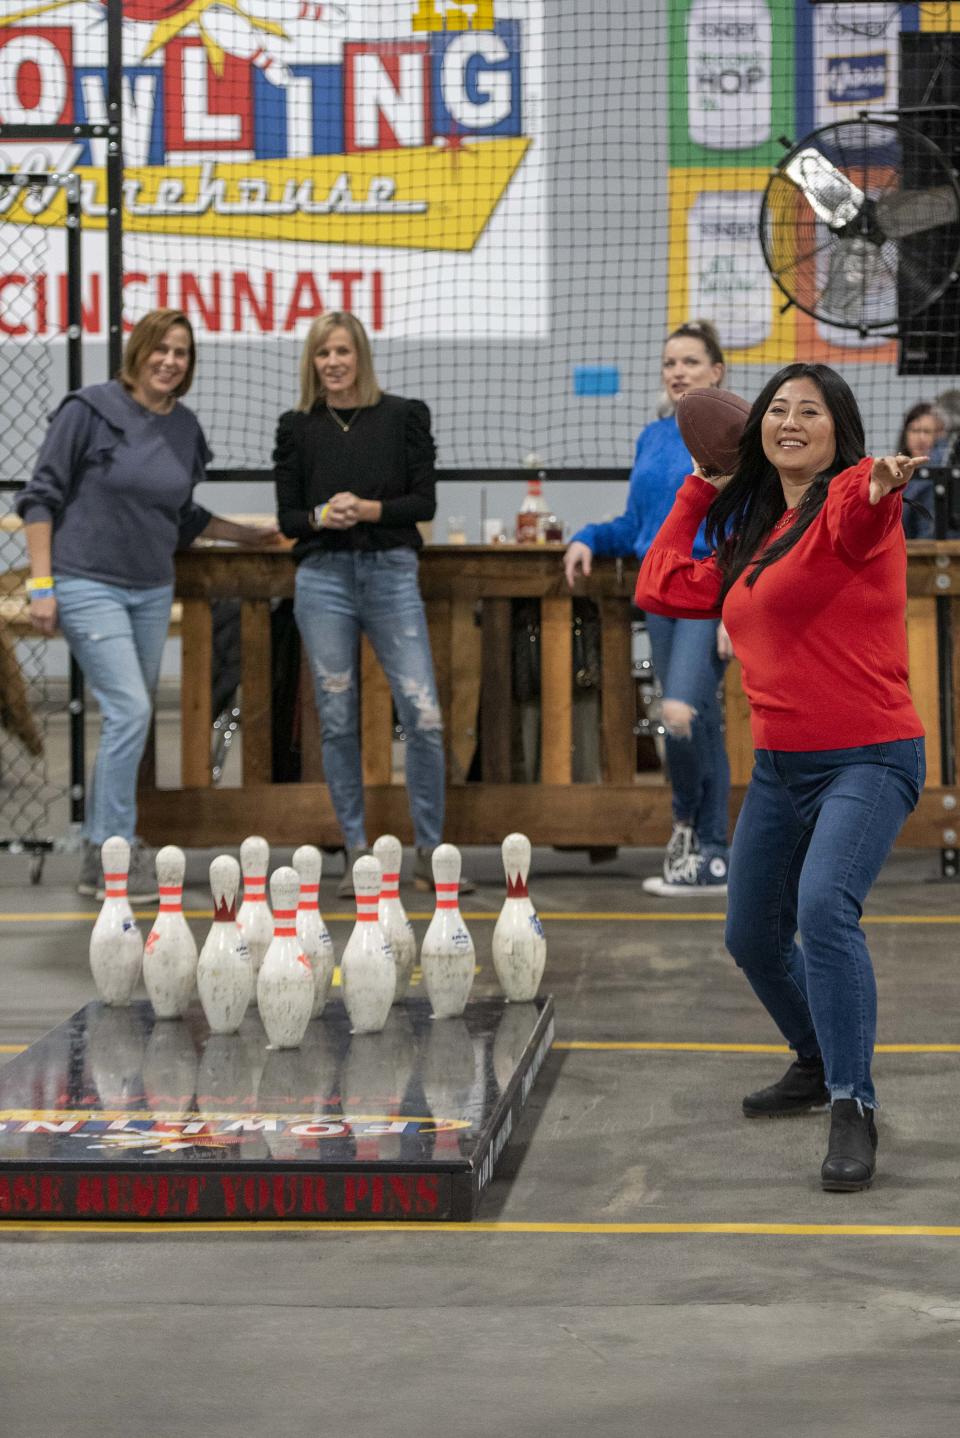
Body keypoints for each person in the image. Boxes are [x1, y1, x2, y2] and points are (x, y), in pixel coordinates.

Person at [635, 361, 926, 1192]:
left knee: (823, 910)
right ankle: (813, 1056)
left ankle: (851, 1102)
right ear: (757, 428)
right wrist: (702, 485)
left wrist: (881, 479)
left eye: (811, 411)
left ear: (838, 431)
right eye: (778, 410)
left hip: (869, 757)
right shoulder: (754, 537)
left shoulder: (845, 509)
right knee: (751, 937)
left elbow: (865, 502)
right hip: (780, 771)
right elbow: (660, 582)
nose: (791, 421)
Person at [17, 308, 280, 903]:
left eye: (182, 352)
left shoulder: (184, 429)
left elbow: (182, 515)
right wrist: (41, 585)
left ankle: (101, 851)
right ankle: (112, 856)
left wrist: (246, 534)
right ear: (138, 351)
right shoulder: (87, 410)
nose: (169, 360)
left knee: (125, 718)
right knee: (134, 709)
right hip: (86, 584)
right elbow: (40, 498)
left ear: (190, 365)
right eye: (160, 348)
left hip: (151, 589)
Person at [274, 311, 470, 899]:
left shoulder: (403, 417)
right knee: (337, 716)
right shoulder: (296, 427)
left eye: (341, 351)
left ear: (359, 354)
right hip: (323, 577)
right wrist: (318, 517)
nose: (332, 362)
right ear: (312, 362)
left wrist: (367, 510)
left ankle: (431, 850)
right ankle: (357, 851)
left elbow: (423, 501)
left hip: (389, 573)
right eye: (321, 354)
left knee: (423, 713)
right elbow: (288, 517)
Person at [563, 319, 731, 894]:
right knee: (695, 723)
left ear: (717, 371)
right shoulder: (653, 437)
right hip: (660, 596)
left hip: (711, 594)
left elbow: (752, 529)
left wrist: (738, 605)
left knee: (681, 713)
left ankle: (702, 837)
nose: (678, 372)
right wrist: (588, 534)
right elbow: (639, 525)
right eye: (670, 363)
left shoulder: (737, 435)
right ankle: (704, 846)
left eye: (689, 361)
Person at [896, 401, 950, 540]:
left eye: (926, 431)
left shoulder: (939, 472)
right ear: (906, 433)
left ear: (937, 436)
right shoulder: (892, 469)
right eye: (914, 430)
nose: (921, 438)